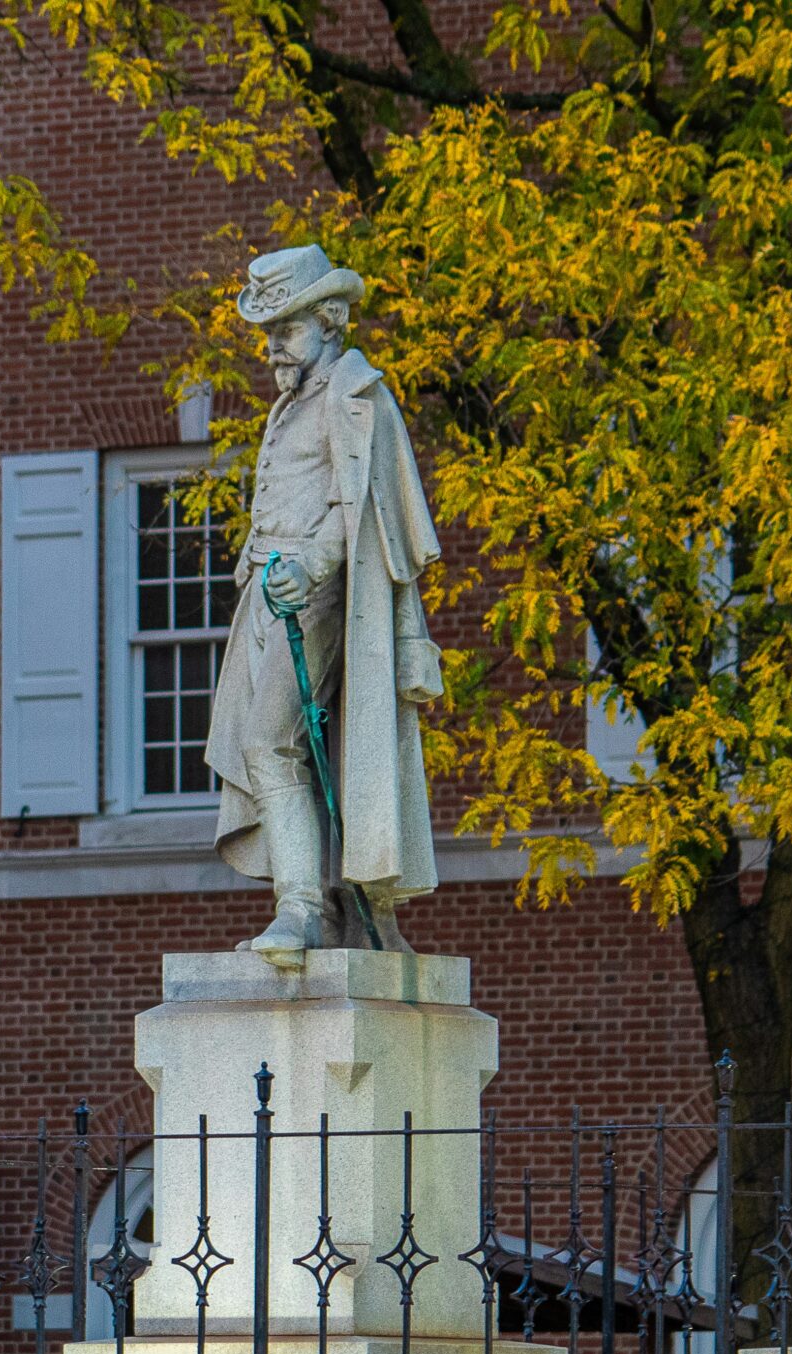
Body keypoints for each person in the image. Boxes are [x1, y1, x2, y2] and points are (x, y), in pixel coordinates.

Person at [205, 245, 445, 965]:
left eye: (288, 327)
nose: (274, 344)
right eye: (268, 330)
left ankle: (302, 906)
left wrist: (308, 568)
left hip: (324, 595)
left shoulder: (354, 394)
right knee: (298, 749)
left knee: (268, 738)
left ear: (331, 318)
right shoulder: (291, 402)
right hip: (266, 593)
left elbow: (360, 506)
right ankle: (333, 906)